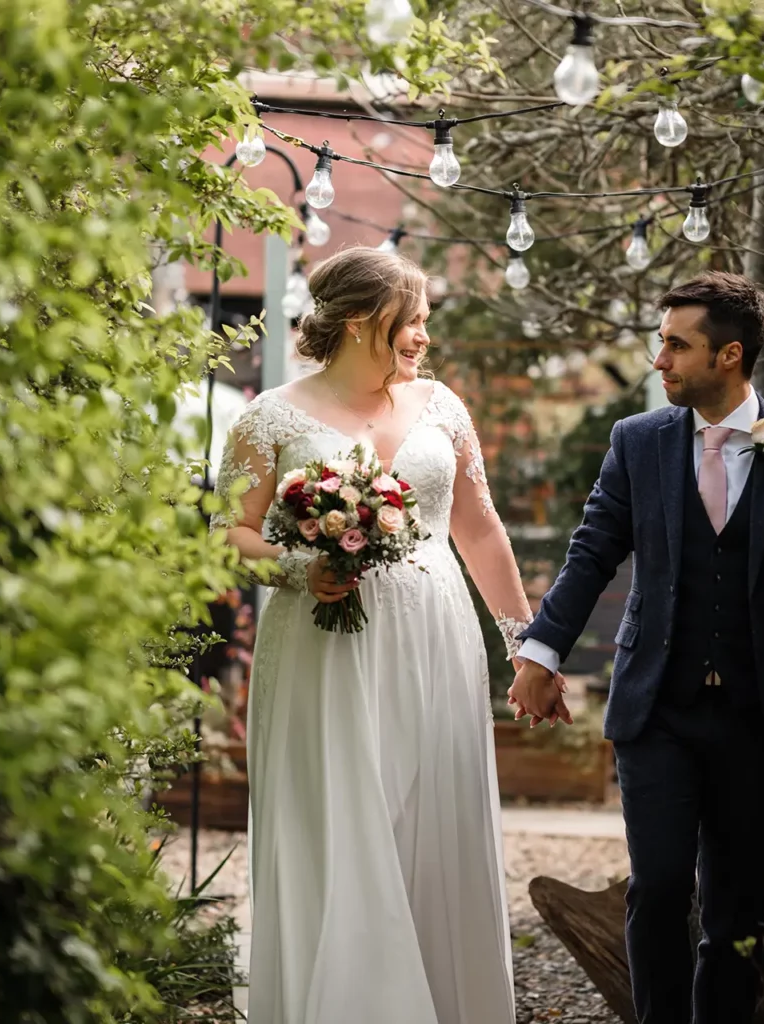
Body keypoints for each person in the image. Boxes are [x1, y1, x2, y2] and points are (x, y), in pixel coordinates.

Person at [508, 272, 764, 1024]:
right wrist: (539, 652)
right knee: (661, 885)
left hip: (759, 714)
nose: (660, 360)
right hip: (660, 707)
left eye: (678, 345)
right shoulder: (637, 443)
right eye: (661, 342)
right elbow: (591, 553)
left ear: (730, 355)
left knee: (736, 911)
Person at [213, 246, 541, 1024]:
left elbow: (481, 531)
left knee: (432, 820)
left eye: (425, 321)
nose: (424, 336)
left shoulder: (443, 407)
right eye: (414, 320)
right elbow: (230, 531)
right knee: (343, 819)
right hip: (323, 641)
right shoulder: (269, 417)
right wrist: (299, 566)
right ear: (362, 320)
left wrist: (525, 643)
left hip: (436, 636)